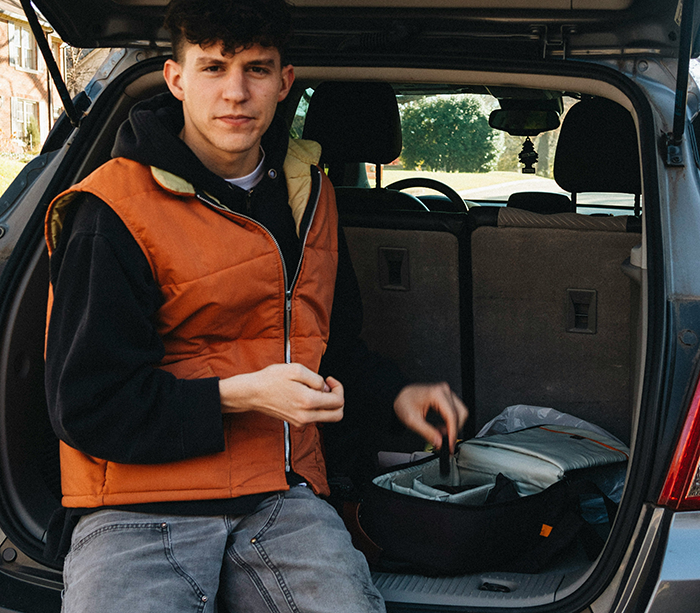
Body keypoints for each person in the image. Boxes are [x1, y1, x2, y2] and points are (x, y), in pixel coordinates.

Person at [43, 0, 468, 611]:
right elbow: (87, 405)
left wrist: (397, 395)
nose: (235, 93)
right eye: (213, 68)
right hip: (136, 509)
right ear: (176, 78)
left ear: (284, 82)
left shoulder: (310, 194)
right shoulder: (111, 211)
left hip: (282, 497)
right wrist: (242, 394)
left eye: (257, 69)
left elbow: (329, 346)